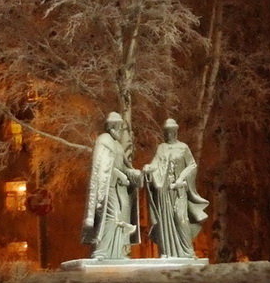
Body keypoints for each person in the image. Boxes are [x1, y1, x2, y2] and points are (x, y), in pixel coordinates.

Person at [142, 119, 209, 259]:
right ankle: (167, 251)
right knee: (166, 220)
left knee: (180, 218)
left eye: (171, 132)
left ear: (175, 132)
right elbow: (156, 163)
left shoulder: (183, 148)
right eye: (166, 132)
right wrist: (149, 168)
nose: (168, 134)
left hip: (178, 190)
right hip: (164, 191)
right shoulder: (162, 148)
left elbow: (192, 165)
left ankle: (187, 251)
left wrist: (182, 178)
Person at [81, 111, 142, 259]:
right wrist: (119, 174)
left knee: (123, 217)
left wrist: (135, 174)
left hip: (120, 188)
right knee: (111, 216)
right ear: (112, 126)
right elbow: (102, 167)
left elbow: (124, 167)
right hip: (107, 188)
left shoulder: (118, 146)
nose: (121, 131)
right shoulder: (104, 140)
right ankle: (102, 251)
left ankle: (119, 251)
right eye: (119, 127)